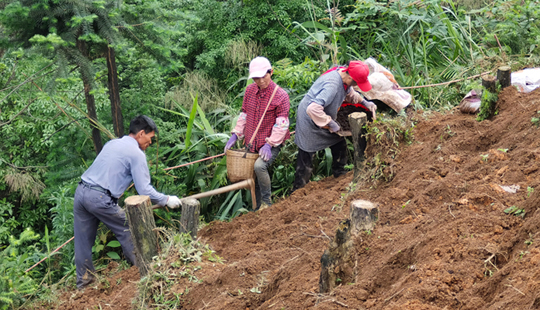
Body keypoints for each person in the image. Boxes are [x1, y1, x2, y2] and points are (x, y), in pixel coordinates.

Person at [74, 115, 181, 289]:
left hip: (81, 192)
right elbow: (144, 190)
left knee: (83, 242)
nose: (150, 143)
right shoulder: (136, 154)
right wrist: (166, 200)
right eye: (150, 138)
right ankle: (147, 272)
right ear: (140, 134)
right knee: (131, 227)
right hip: (99, 198)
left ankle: (84, 285)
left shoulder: (113, 143)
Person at [292, 61, 373, 191]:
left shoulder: (343, 75)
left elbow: (349, 92)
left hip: (322, 114)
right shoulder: (332, 85)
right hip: (309, 119)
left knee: (339, 142)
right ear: (349, 77)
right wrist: (330, 123)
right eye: (356, 82)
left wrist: (365, 102)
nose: (356, 85)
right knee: (306, 155)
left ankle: (340, 174)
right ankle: (298, 190)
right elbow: (312, 109)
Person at [224, 56, 290, 210]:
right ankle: (257, 206)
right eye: (255, 78)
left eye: (263, 77)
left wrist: (269, 144)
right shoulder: (250, 91)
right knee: (252, 175)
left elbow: (282, 125)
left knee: (260, 167)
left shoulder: (281, 96)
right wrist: (236, 134)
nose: (260, 81)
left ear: (271, 72)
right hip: (252, 141)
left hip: (271, 141)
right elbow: (244, 115)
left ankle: (267, 203)